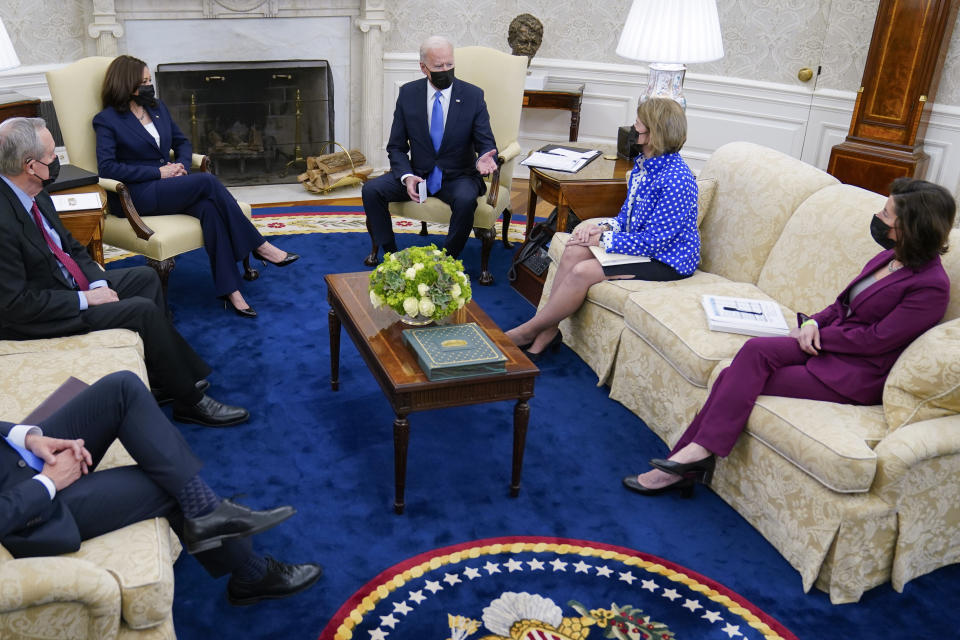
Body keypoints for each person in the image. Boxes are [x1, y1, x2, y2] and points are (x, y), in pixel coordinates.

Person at [624, 177, 956, 496]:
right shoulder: (890, 257)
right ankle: (690, 459)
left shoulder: (931, 286)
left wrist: (821, 336)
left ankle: (681, 464)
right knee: (753, 353)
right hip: (828, 344)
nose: (878, 219)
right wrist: (812, 322)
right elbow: (842, 305)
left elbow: (877, 340)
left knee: (730, 377)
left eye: (886, 215)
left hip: (856, 373)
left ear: (912, 227)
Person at [0, 116, 248, 428]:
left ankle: (160, 376)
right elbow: (15, 305)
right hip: (40, 316)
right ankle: (189, 400)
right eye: (52, 155)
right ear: (30, 164)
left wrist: (99, 281)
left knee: (144, 277)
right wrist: (88, 299)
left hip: (64, 282)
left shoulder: (35, 192)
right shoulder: (3, 219)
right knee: (141, 311)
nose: (57, 160)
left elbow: (71, 248)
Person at [0, 371, 322, 605]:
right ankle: (250, 573)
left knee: (121, 387)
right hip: (26, 512)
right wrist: (48, 483)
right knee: (169, 484)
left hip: (16, 459)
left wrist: (26, 437)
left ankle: (207, 515)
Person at [93, 54, 299, 319]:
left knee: (210, 209)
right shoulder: (107, 120)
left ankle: (231, 290)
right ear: (125, 83)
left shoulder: (157, 107)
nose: (148, 85)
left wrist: (179, 164)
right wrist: (159, 172)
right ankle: (259, 245)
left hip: (167, 186)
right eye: (142, 81)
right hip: (136, 195)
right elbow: (107, 168)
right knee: (206, 180)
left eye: (148, 80)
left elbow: (183, 142)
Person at [505, 98, 700, 360]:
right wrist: (601, 228)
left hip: (667, 261)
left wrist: (604, 240)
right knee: (574, 250)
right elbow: (625, 217)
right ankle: (548, 330)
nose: (634, 125)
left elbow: (656, 242)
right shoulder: (644, 165)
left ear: (654, 133)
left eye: (639, 122)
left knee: (583, 271)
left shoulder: (677, 180)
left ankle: (529, 330)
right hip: (644, 247)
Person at [361, 35, 499, 262]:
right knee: (371, 190)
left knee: (466, 200)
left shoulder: (473, 96)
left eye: (450, 64)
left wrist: (483, 156)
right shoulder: (408, 94)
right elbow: (396, 146)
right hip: (419, 173)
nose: (445, 70)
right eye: (438, 66)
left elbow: (486, 141)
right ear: (423, 67)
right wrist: (406, 176)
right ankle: (392, 256)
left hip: (459, 175)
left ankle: (447, 261)